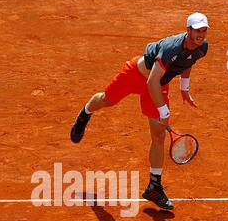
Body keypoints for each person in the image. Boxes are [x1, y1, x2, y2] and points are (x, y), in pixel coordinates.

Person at [70, 12, 209, 210]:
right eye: (197, 30)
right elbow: (151, 80)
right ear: (188, 30)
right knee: (107, 100)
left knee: (159, 135)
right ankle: (85, 113)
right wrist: (164, 111)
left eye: (204, 31)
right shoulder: (172, 48)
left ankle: (154, 186)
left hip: (158, 84)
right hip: (136, 75)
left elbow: (188, 61)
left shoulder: (201, 47)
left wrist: (184, 89)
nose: (201, 34)